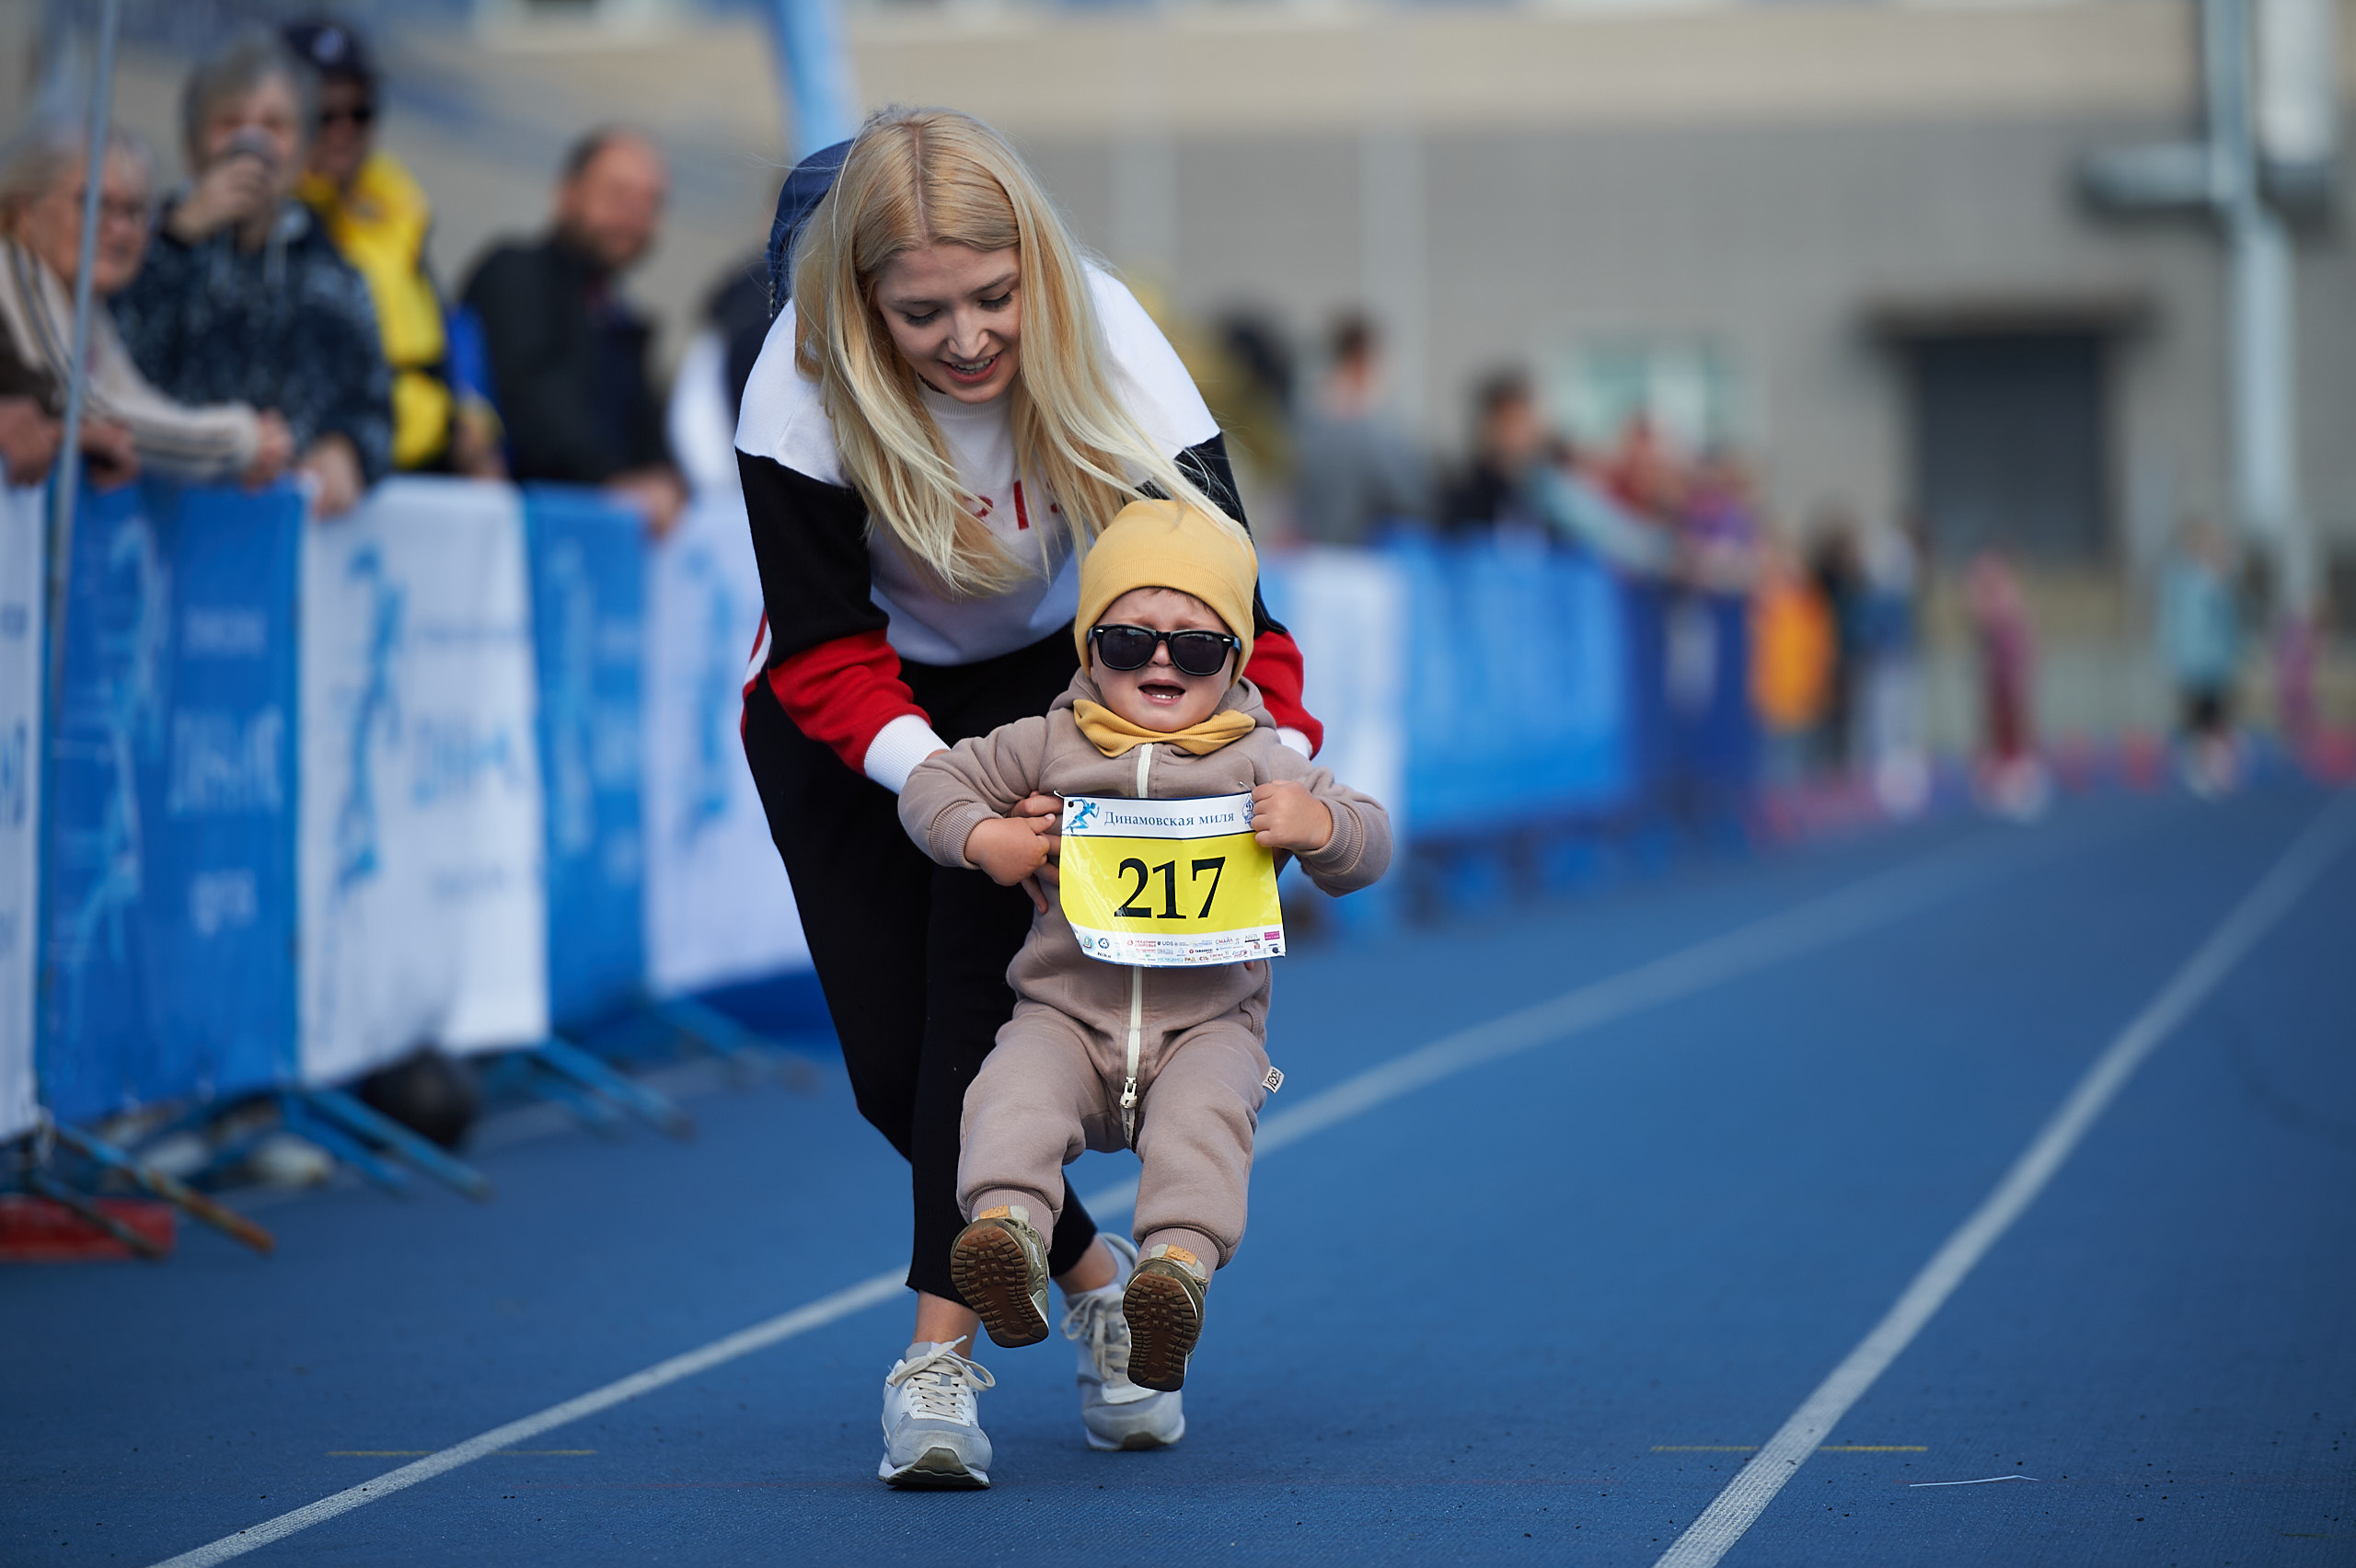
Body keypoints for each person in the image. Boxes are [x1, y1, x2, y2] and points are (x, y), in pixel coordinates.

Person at [733, 108, 1325, 1487]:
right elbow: (822, 650)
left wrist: (1272, 770)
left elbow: (1245, 613)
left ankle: (934, 1369)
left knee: (970, 1038)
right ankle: (1100, 1274)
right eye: (921, 312)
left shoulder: (1111, 341)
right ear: (856, 302)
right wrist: (945, 801)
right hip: (849, 717)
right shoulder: (797, 381)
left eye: (994, 299)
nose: (966, 339)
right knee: (895, 1076)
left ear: (1036, 276)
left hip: (1060, 692)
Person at [899, 502, 1389, 1431]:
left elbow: (1371, 844)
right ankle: (1004, 1234)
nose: (1160, 664)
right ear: (1087, 651)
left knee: (1203, 1122)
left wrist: (1320, 828)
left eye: (1195, 650)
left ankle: (1172, 1274)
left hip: (1207, 1027)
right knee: (1005, 1095)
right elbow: (932, 783)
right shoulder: (1045, 743)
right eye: (1127, 642)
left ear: (1235, 661)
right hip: (1063, 1017)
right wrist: (985, 836)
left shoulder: (1265, 762)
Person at [111, 29, 388, 517]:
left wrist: (348, 450)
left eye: (274, 125)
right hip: (153, 529)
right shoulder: (134, 245)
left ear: (303, 148)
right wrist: (177, 240)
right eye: (230, 123)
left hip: (276, 543)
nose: (252, 143)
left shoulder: (334, 272)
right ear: (194, 145)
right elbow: (103, 365)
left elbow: (373, 407)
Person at [0, 114, 287, 487]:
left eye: (135, 211)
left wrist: (244, 436)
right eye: (95, 205)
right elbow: (76, 408)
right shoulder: (16, 269)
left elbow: (130, 398)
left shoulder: (84, 305)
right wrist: (239, 441)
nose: (119, 229)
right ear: (25, 213)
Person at [282, 16, 499, 478]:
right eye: (324, 116)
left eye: (360, 113)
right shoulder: (267, 224)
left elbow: (442, 331)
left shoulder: (398, 214)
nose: (344, 131)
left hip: (422, 472)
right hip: (325, 477)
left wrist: (473, 416)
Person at [461, 127, 683, 534]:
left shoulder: (622, 318)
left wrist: (666, 482)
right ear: (567, 192)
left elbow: (650, 432)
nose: (632, 216)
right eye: (618, 195)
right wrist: (611, 484)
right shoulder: (515, 272)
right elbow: (533, 402)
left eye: (649, 203)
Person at [1290, 312, 1426, 544]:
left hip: (1313, 552)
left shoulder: (1303, 417)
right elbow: (1412, 495)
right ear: (1361, 363)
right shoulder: (1366, 428)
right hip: (1356, 554)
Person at [2158, 519, 2244, 797]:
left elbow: (2230, 622)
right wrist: (2169, 656)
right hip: (2191, 660)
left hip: (2217, 661)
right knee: (2195, 717)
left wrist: (2235, 654)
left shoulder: (2221, 580)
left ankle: (2219, 766)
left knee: (2217, 714)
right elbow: (2171, 621)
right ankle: (2198, 766)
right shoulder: (2179, 580)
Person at [1440, 369, 1542, 534]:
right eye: (1509, 422)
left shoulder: (1540, 492)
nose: (1517, 433)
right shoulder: (1466, 496)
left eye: (1523, 421)